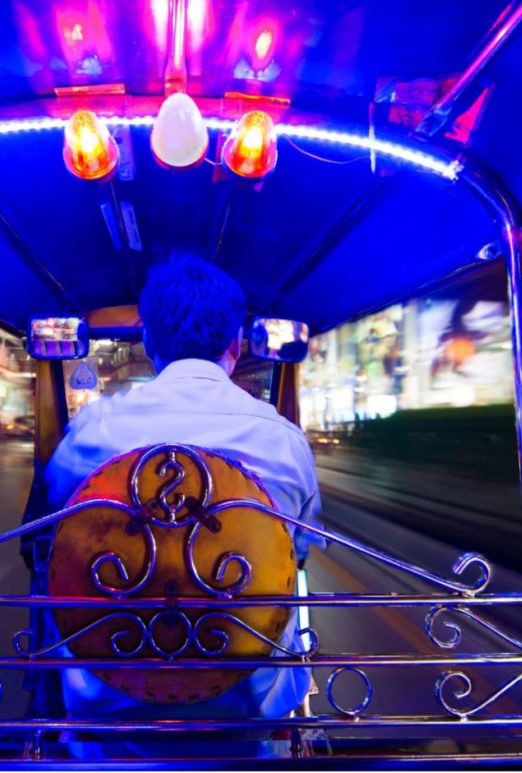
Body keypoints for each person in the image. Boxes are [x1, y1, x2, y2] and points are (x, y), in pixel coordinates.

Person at [43, 253, 323, 721]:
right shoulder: (283, 442)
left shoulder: (90, 434)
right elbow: (301, 550)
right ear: (237, 343)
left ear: (149, 340)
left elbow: (47, 543)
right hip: (250, 719)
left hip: (103, 715)